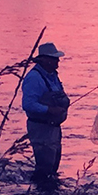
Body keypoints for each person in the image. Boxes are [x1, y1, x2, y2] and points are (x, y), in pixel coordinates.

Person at [22, 42, 70, 184]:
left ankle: (49, 191)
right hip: (41, 128)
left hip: (54, 128)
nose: (58, 61)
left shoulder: (53, 76)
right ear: (45, 60)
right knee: (44, 165)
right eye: (55, 59)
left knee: (53, 164)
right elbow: (28, 104)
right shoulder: (33, 78)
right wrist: (50, 109)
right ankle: (41, 192)